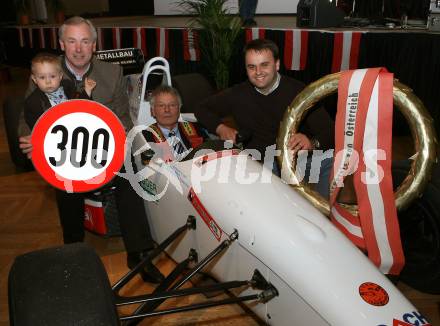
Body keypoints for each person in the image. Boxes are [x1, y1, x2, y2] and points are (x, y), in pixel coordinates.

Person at [19, 16, 164, 283]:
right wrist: (28, 139)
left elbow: (123, 116)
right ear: (62, 44)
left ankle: (139, 251)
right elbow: (26, 115)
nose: (78, 48)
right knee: (65, 182)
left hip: (104, 147)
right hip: (63, 150)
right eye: (72, 41)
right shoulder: (45, 70)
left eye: (85, 41)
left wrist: (123, 140)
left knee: (129, 170)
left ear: (94, 45)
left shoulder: (111, 72)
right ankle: (73, 250)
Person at [195, 38, 334, 196]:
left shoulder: (299, 92)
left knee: (332, 163)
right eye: (252, 67)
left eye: (264, 65)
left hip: (298, 160)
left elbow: (331, 130)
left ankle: (323, 217)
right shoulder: (238, 94)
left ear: (277, 65)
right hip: (261, 163)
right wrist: (221, 128)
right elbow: (201, 109)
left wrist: (311, 142)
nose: (258, 72)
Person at [24, 52, 96, 129]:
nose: (48, 81)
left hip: (78, 127)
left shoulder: (68, 88)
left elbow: (80, 105)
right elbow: (35, 127)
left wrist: (87, 90)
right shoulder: (33, 102)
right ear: (34, 79)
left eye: (52, 76)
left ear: (60, 76)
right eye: (42, 77)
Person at [142, 85, 207, 162]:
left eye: (172, 105)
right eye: (161, 105)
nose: (167, 110)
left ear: (179, 109)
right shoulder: (144, 138)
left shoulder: (196, 129)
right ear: (152, 111)